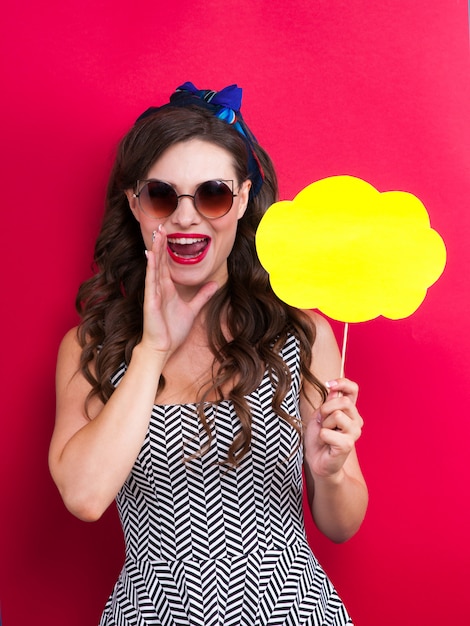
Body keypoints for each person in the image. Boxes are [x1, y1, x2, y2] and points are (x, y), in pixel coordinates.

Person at [49, 82, 368, 626]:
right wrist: (152, 348)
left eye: (213, 193)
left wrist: (332, 473)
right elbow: (84, 496)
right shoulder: (91, 348)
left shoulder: (302, 335)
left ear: (242, 199)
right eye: (161, 195)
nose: (186, 218)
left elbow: (341, 524)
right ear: (135, 203)